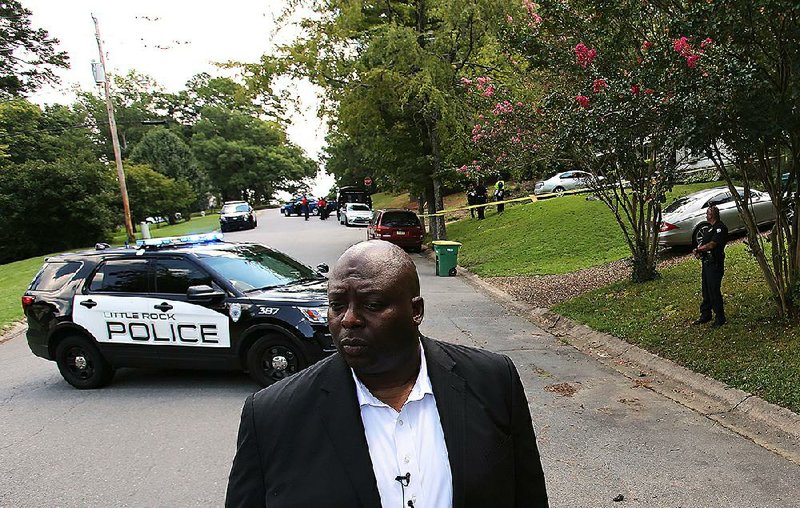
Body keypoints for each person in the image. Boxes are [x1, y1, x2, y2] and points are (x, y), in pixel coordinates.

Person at [225, 241, 549, 507]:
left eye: (373, 304)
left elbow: (528, 495)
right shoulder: (272, 415)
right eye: (337, 306)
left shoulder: (492, 381)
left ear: (416, 310)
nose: (349, 320)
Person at [692, 205, 728, 327]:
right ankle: (706, 314)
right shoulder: (708, 229)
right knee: (706, 289)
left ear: (712, 215)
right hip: (706, 263)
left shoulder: (720, 228)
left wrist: (699, 248)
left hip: (715, 263)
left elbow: (712, 245)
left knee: (714, 290)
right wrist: (698, 251)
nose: (706, 215)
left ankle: (720, 317)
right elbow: (703, 244)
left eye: (708, 213)